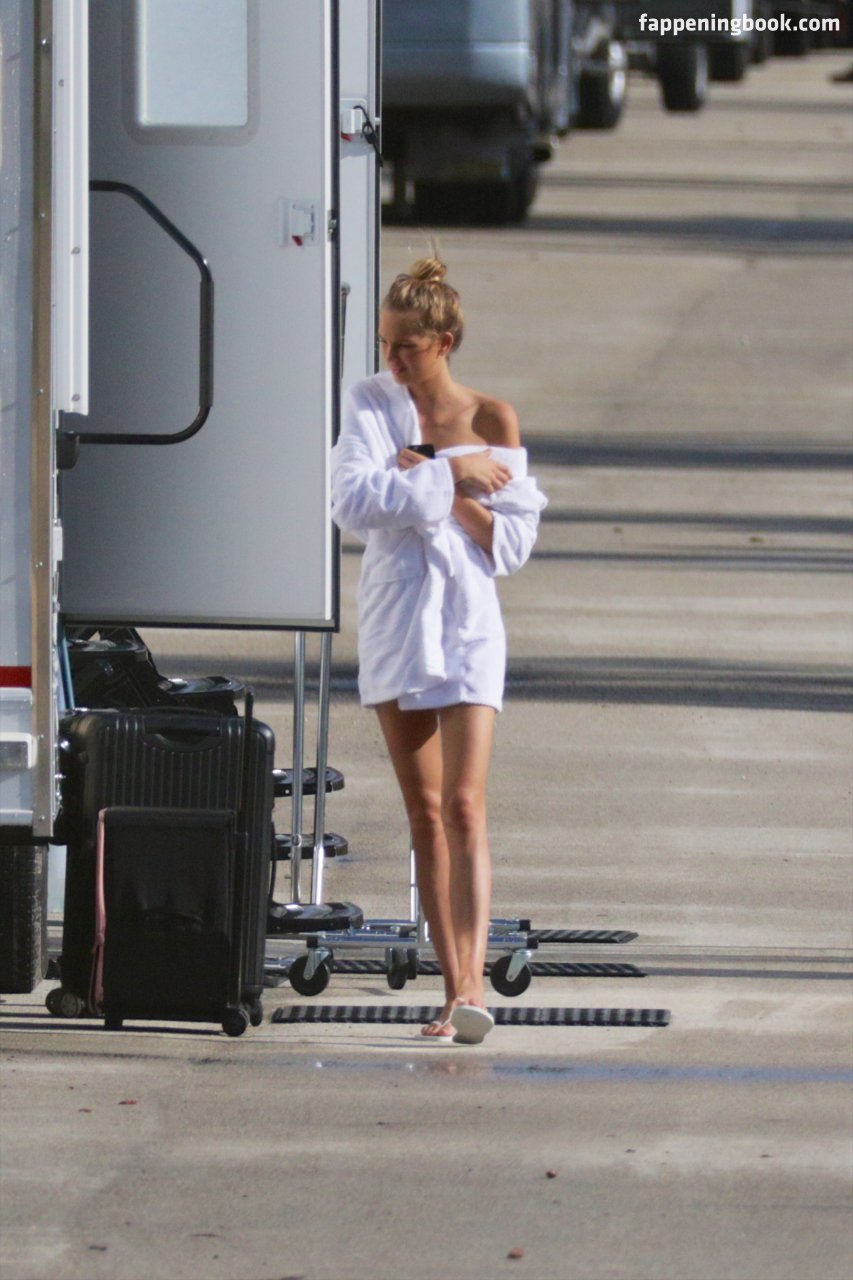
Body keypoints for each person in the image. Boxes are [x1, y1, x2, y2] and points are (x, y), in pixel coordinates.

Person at [330, 256, 547, 1044]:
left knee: (462, 804)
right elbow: (352, 502)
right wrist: (456, 479)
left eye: (406, 347)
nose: (391, 361)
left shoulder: (492, 416)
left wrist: (426, 476)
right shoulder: (369, 403)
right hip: (396, 618)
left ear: (443, 343)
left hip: (466, 624)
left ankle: (471, 988)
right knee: (423, 812)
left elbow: (507, 546)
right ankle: (448, 987)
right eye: (384, 345)